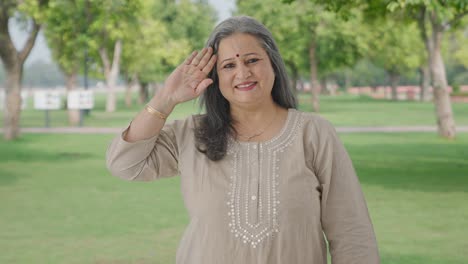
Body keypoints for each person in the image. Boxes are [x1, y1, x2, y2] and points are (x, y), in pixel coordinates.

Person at [106, 16, 380, 264]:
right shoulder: (191, 134)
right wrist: (165, 99)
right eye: (228, 65)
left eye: (252, 60)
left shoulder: (314, 133)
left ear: (273, 64)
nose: (242, 73)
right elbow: (125, 164)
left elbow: (351, 232)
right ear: (216, 77)